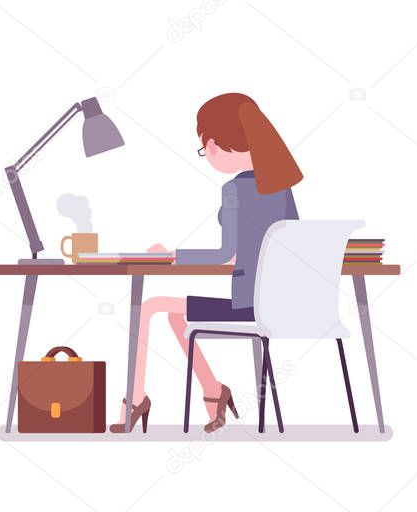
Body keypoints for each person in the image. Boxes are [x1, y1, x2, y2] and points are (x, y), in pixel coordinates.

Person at [110, 92, 303, 433]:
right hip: (283, 303)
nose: (207, 155)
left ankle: (136, 399)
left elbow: (223, 255)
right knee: (174, 314)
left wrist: (169, 256)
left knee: (149, 305)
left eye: (204, 148)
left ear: (214, 144)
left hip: (248, 306)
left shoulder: (234, 189)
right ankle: (214, 391)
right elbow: (283, 247)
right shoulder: (282, 187)